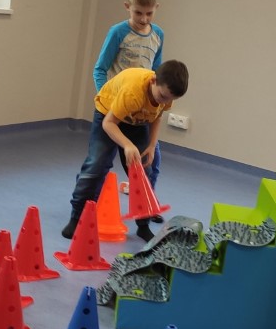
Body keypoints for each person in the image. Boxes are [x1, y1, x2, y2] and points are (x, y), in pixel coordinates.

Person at [62, 60, 189, 243]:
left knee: (143, 172)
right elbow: (109, 123)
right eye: (162, 96)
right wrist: (127, 145)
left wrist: (151, 145)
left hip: (137, 121)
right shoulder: (133, 93)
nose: (165, 101)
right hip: (108, 115)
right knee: (96, 165)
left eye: (169, 99)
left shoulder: (166, 96)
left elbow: (157, 117)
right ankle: (77, 218)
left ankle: (143, 226)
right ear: (153, 81)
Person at [93, 0, 165, 218]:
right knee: (99, 162)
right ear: (127, 7)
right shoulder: (118, 32)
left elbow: (157, 72)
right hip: (116, 107)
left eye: (149, 13)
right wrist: (106, 99)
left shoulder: (158, 35)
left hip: (141, 112)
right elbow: (100, 69)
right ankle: (88, 205)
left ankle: (146, 206)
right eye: (138, 13)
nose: (144, 19)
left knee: (150, 162)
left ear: (156, 8)